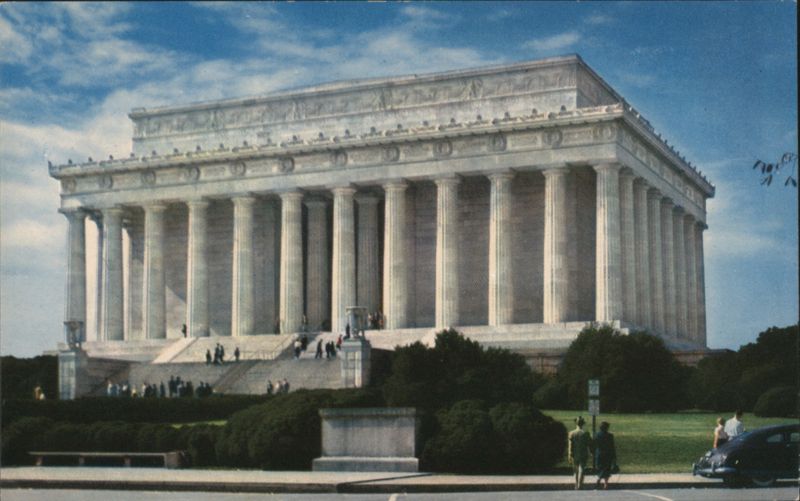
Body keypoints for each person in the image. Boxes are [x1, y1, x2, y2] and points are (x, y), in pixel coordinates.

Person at [567, 416, 592, 490]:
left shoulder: (571, 433)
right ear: (583, 424)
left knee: (575, 470)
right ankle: (580, 485)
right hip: (583, 453)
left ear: (576, 423)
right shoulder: (586, 433)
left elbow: (570, 445)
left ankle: (576, 484)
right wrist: (591, 452)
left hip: (575, 453)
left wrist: (570, 454)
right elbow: (589, 444)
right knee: (582, 469)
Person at [594, 421, 617, 490]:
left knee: (600, 468)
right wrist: (614, 456)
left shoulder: (597, 435)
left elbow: (595, 445)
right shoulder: (610, 436)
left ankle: (598, 479)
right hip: (608, 454)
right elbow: (612, 446)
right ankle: (606, 484)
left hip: (599, 454)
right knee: (607, 469)